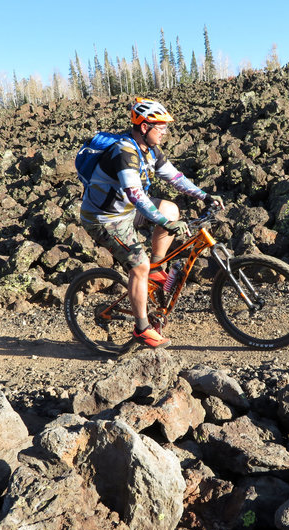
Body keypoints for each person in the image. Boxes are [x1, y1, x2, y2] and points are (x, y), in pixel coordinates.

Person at [79, 97, 224, 349]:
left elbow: (176, 178)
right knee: (138, 265)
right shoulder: (124, 152)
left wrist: (204, 195)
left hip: (124, 210)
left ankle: (157, 267)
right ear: (144, 127)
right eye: (161, 127)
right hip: (104, 218)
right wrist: (162, 223)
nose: (165, 132)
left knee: (170, 208)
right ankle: (141, 328)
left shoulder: (150, 149)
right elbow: (135, 194)